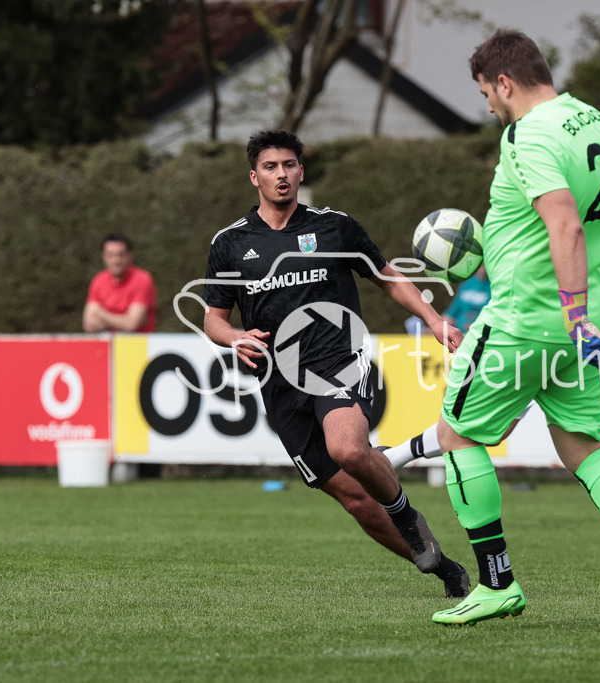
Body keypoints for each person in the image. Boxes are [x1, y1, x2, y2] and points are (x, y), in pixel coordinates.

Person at [424, 29, 600, 628]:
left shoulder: (527, 133)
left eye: (486, 94)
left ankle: (497, 584)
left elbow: (564, 224)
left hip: (530, 319)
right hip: (591, 325)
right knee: (584, 447)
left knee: (457, 434)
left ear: (505, 83)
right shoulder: (590, 119)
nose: (488, 107)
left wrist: (572, 315)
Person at [200, 129, 469, 599]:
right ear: (254, 177)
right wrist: (235, 337)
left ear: (301, 171)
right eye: (270, 167)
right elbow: (213, 319)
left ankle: (407, 514)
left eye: (289, 165)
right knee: (357, 501)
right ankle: (446, 569)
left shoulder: (334, 227)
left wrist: (432, 319)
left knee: (347, 449)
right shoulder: (230, 243)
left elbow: (388, 277)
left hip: (339, 360)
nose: (281, 174)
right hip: (279, 383)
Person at [385, 278, 600, 571]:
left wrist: (599, 287)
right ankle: (389, 459)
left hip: (582, 340)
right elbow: (552, 252)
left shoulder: (596, 229)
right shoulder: (536, 231)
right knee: (484, 431)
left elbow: (585, 253)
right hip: (534, 334)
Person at [83, 233, 158, 332]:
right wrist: (124, 321)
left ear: (130, 256)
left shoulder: (142, 280)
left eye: (121, 255)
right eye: (110, 255)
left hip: (137, 341)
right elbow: (88, 325)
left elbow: (131, 325)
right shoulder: (98, 280)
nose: (116, 260)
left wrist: (101, 314)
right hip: (107, 341)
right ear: (104, 257)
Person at [443, 265, 490, 333]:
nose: (483, 267)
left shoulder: (494, 285)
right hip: (459, 331)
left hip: (480, 331)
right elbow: (451, 313)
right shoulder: (467, 282)